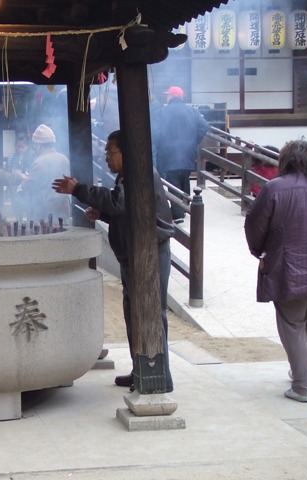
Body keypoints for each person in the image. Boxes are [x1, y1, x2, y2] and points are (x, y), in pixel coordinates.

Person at [52, 130, 175, 392]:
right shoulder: (126, 176)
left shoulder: (139, 173)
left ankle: (158, 375)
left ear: (125, 152)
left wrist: (79, 189)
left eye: (110, 152)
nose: (106, 157)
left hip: (149, 253)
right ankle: (140, 367)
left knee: (150, 312)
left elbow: (119, 203)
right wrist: (103, 213)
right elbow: (127, 212)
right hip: (134, 253)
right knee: (133, 313)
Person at [244, 140, 307, 403]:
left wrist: (260, 253)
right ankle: (305, 370)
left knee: (293, 323)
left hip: (289, 268)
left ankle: (302, 385)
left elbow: (255, 225)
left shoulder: (275, 188)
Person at [153, 86, 209, 223]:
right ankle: (185, 207)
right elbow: (204, 126)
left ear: (171, 97)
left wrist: (160, 144)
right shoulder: (192, 111)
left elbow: (157, 132)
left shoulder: (163, 112)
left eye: (168, 95)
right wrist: (194, 140)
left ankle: (178, 214)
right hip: (187, 150)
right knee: (184, 178)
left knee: (173, 181)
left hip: (169, 151)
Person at [16, 124, 70, 222]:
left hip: (44, 213)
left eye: (36, 145)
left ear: (39, 145)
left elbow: (31, 184)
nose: (35, 148)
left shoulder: (39, 162)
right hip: (62, 211)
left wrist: (21, 184)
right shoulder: (64, 159)